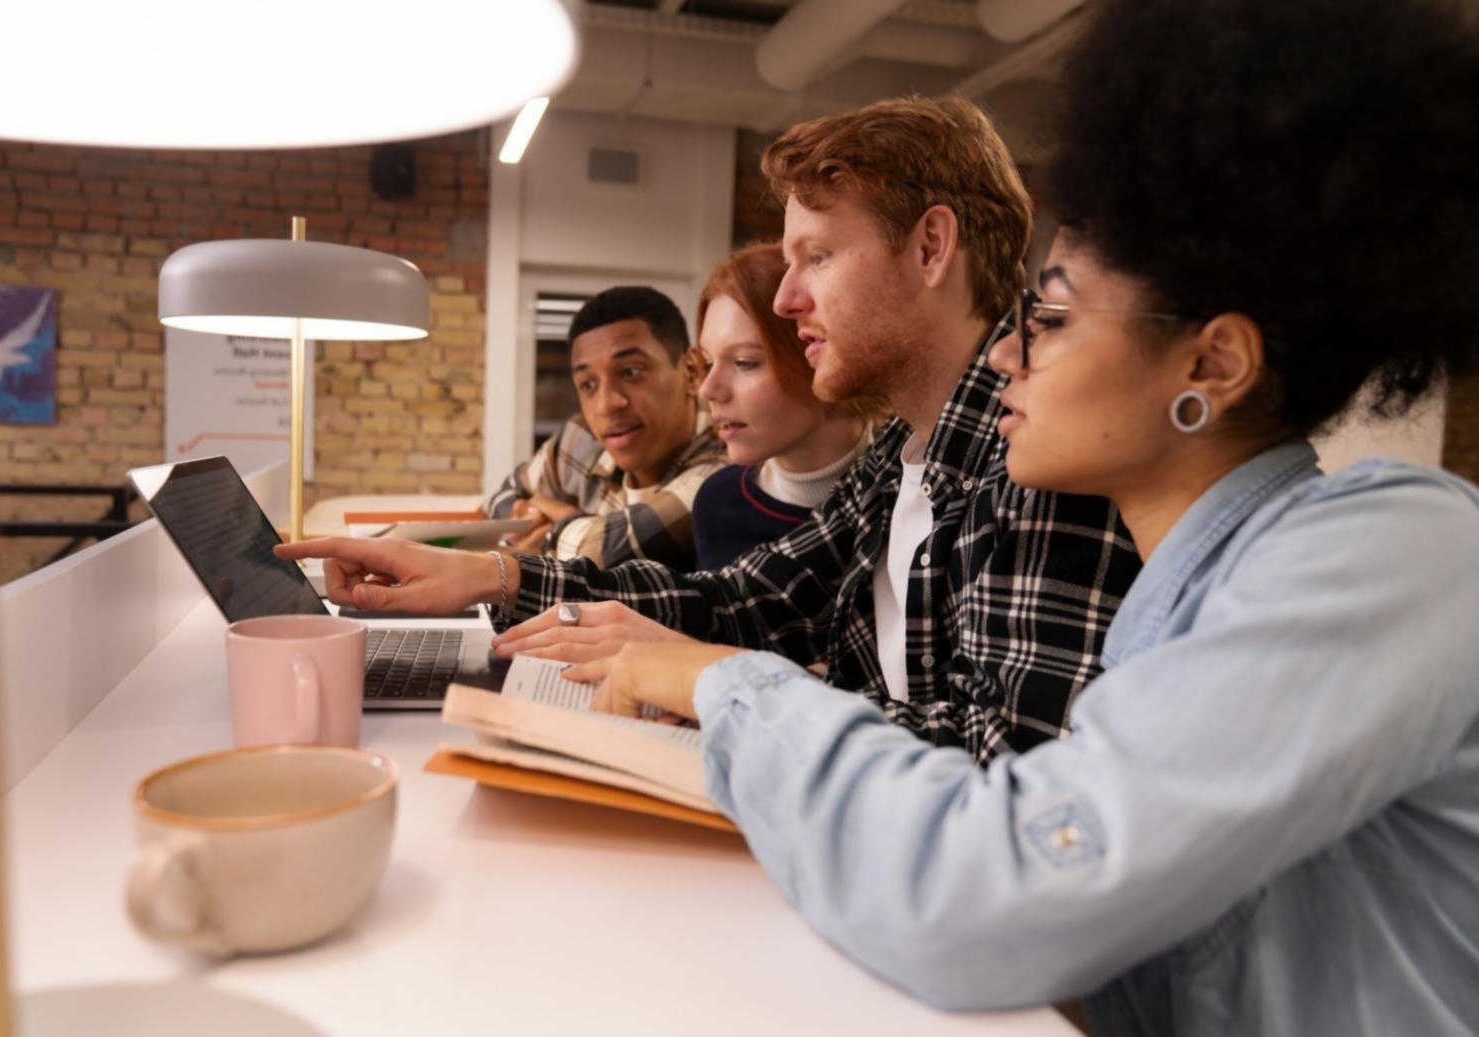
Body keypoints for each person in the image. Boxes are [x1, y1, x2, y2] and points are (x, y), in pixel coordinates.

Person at [567, 0, 1479, 1031]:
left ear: (1211, 364)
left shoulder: (1399, 546)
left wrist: (724, 685)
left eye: (1051, 316)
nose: (1007, 351)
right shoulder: (1178, 608)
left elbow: (995, 887)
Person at [279, 96, 1142, 762]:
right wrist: (491, 573)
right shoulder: (900, 451)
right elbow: (750, 599)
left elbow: (1012, 763)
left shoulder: (1046, 450)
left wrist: (722, 683)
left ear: (930, 248)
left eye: (818, 256)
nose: (787, 298)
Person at [484, 285, 724, 568]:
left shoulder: (728, 460)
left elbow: (607, 553)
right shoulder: (582, 439)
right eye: (588, 384)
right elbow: (505, 494)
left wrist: (551, 535)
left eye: (631, 371)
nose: (606, 405)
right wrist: (527, 514)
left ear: (691, 371)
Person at [691, 242, 882, 569]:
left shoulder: (907, 493)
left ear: (819, 352)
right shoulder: (717, 503)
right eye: (708, 363)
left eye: (745, 362)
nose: (708, 390)